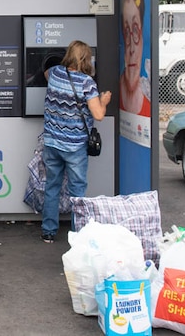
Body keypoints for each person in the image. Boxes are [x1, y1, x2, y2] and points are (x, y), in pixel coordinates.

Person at [40, 40, 111, 243]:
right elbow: (98, 114)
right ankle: (79, 234)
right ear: (86, 59)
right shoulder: (86, 83)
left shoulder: (54, 72)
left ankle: (48, 232)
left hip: (52, 142)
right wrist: (104, 101)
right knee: (77, 190)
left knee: (52, 187)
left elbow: (45, 72)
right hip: (74, 147)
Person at [120, 0, 151, 116]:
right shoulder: (111, 92)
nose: (131, 48)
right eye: (126, 32)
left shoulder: (149, 97)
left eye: (136, 31)